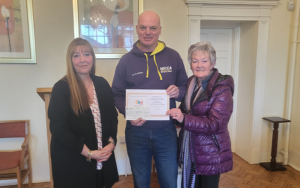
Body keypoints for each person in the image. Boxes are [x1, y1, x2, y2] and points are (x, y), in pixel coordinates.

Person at [112, 10, 188, 188]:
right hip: (136, 133)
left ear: (160, 30)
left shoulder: (173, 57)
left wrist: (178, 92)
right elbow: (116, 94)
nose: (148, 32)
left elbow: (185, 87)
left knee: (169, 181)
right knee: (141, 182)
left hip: (166, 132)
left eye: (153, 28)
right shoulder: (125, 61)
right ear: (137, 29)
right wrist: (129, 112)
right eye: (144, 28)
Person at [48, 38, 119, 188]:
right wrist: (90, 153)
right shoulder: (61, 88)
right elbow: (59, 129)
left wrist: (111, 144)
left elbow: (113, 117)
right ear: (70, 60)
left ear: (92, 57)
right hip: (73, 162)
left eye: (86, 54)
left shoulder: (102, 84)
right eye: (76, 56)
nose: (82, 60)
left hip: (102, 159)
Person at [167, 41, 234, 188]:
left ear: (213, 63)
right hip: (189, 149)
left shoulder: (222, 89)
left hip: (210, 152)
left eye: (204, 61)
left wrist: (183, 118)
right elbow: (186, 110)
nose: (199, 65)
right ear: (190, 64)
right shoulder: (191, 82)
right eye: (195, 61)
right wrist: (168, 112)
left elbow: (215, 124)